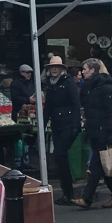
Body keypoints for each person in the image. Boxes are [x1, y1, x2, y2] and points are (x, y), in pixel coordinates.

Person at [72, 57, 112, 209]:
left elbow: (110, 113)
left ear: (93, 70)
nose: (82, 72)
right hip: (95, 130)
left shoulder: (106, 87)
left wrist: (110, 133)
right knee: (104, 167)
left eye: (85, 69)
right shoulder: (90, 87)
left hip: (102, 131)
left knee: (95, 167)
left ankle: (87, 198)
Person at [43, 55, 81, 205]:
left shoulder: (68, 83)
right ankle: (67, 192)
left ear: (61, 69)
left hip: (68, 123)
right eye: (51, 67)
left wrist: (75, 125)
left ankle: (69, 192)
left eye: (56, 67)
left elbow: (76, 105)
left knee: (60, 155)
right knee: (60, 158)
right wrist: (43, 124)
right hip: (57, 124)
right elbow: (48, 108)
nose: (54, 69)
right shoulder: (50, 85)